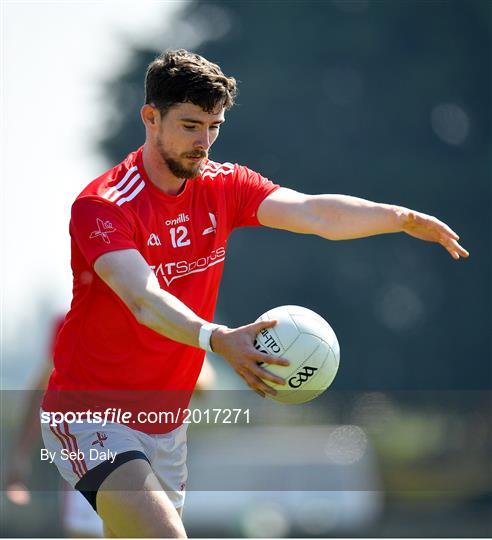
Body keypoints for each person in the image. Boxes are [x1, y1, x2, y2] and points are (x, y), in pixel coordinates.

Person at [40, 49, 469, 538]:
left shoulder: (224, 185)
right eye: (189, 125)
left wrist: (399, 218)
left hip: (165, 423)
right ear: (150, 117)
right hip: (91, 413)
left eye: (214, 126)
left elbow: (313, 213)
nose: (203, 142)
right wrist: (218, 338)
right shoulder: (103, 206)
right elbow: (142, 298)